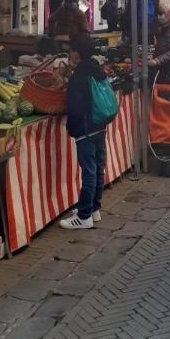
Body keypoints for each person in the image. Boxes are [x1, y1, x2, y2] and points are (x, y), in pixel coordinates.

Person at [59, 35, 108, 230]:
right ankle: (94, 208)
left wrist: (73, 127)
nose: (69, 53)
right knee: (97, 167)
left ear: (77, 53)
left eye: (71, 50)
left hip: (86, 128)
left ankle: (84, 215)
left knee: (89, 171)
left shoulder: (78, 77)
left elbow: (75, 107)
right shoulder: (96, 69)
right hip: (99, 125)